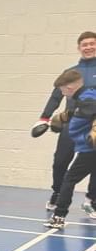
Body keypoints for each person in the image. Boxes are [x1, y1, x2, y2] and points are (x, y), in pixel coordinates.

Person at [32, 30, 96, 214]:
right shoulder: (71, 72)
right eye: (85, 44)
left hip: (93, 127)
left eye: (92, 43)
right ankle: (58, 193)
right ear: (79, 48)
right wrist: (44, 118)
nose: (89, 47)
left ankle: (91, 200)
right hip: (72, 125)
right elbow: (55, 97)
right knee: (60, 162)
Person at [43, 68, 96, 231]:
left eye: (63, 91)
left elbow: (90, 109)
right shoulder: (86, 96)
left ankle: (59, 217)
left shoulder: (87, 97)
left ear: (70, 88)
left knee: (69, 179)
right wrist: (64, 116)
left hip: (91, 150)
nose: (63, 94)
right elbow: (84, 111)